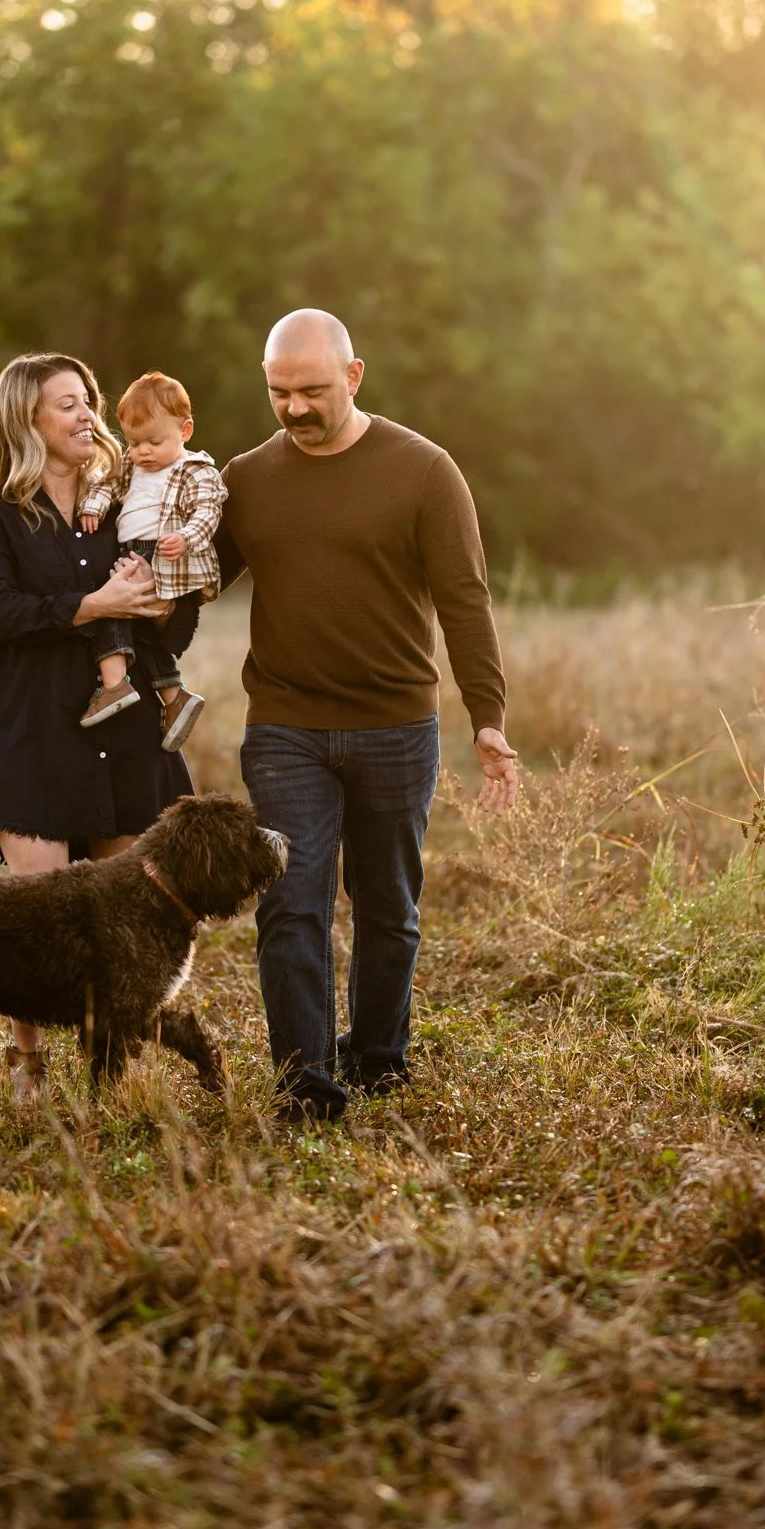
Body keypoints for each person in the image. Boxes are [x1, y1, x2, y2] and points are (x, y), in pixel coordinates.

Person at [217, 309, 520, 1121]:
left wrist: (486, 714)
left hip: (395, 727)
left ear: (352, 377)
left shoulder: (423, 471)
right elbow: (190, 586)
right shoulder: (245, 479)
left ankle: (379, 1059)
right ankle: (306, 1085)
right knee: (292, 901)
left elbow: (464, 599)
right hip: (283, 725)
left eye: (311, 390)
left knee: (387, 904)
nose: (294, 409)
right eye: (278, 393)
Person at [0, 352, 197, 1104]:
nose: (86, 413)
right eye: (66, 403)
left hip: (123, 732)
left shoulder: (129, 504)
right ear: (25, 417)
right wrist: (93, 607)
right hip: (33, 732)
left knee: (128, 916)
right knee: (35, 913)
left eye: (87, 399)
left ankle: (113, 1066)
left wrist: (159, 603)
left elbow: (175, 619)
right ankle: (27, 1064)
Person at [78, 370, 226, 754]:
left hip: (165, 553)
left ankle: (113, 686)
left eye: (154, 442)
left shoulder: (196, 470)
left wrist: (187, 537)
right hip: (132, 550)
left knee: (113, 609)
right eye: (133, 441)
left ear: (186, 430)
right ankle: (174, 698)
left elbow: (208, 511)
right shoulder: (133, 464)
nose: (142, 451)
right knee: (142, 634)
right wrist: (94, 504)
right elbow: (107, 482)